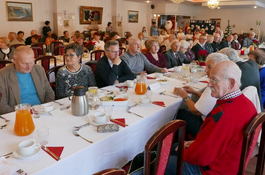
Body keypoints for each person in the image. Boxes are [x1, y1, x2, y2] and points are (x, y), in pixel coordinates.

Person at [166, 60, 257, 175]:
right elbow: (220, 140)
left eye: (214, 80)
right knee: (173, 147)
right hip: (231, 162)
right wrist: (195, 143)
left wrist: (185, 152)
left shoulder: (223, 114)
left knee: (155, 161)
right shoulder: (246, 103)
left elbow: (201, 157)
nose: (209, 84)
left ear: (231, 83)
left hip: (213, 170)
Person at [173, 53, 228, 138]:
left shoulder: (215, 85)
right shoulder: (224, 81)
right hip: (217, 123)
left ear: (219, 68)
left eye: (209, 67)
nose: (206, 70)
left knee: (180, 112)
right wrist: (195, 92)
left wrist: (184, 96)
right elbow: (210, 99)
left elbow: (197, 111)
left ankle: (178, 142)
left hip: (207, 126)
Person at [0, 46, 54, 115]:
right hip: (19, 115)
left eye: (31, 62)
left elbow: (49, 92)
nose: (29, 67)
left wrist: (45, 109)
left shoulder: (39, 70)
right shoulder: (3, 75)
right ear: (14, 60)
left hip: (41, 112)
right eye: (24, 63)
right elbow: (2, 105)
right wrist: (22, 115)